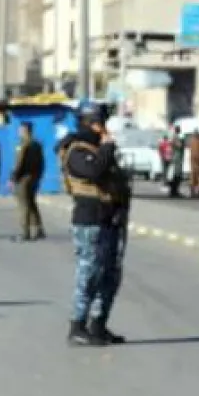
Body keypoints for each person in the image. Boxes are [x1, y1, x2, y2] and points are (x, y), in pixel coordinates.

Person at [61, 102, 130, 347]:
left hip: (110, 220)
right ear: (92, 123)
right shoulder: (76, 151)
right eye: (101, 123)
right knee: (89, 274)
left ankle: (98, 324)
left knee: (110, 275)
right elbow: (94, 172)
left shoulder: (98, 148)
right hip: (90, 219)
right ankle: (77, 325)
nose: (105, 129)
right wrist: (108, 148)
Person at [9, 121, 45, 241]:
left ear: (24, 130)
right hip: (34, 177)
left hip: (23, 178)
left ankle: (25, 232)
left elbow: (19, 163)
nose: (19, 132)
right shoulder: (37, 144)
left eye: (20, 130)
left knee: (23, 205)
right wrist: (39, 176)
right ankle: (39, 229)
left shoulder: (23, 145)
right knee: (31, 202)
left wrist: (13, 178)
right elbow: (41, 163)